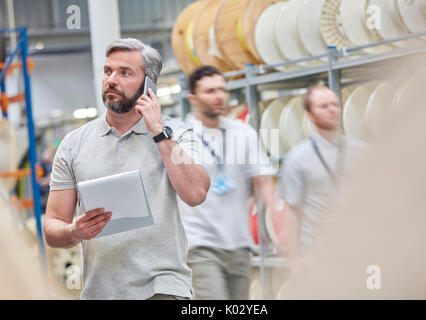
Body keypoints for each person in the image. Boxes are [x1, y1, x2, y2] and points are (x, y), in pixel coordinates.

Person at [43, 38, 210, 300]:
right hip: (100, 291)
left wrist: (158, 132)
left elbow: (196, 192)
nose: (111, 80)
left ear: (149, 85)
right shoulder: (74, 145)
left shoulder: (175, 133)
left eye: (124, 73)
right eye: (108, 71)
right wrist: (73, 232)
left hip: (162, 284)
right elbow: (53, 227)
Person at [178, 65, 277, 300]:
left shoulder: (244, 133)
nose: (219, 96)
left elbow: (263, 182)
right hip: (199, 244)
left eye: (222, 89)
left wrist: (279, 224)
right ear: (193, 98)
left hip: (239, 243)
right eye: (210, 91)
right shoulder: (180, 136)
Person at [278, 85, 366, 262]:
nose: (332, 110)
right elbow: (292, 213)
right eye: (323, 106)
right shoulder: (297, 159)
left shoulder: (361, 151)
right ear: (309, 115)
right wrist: (295, 260)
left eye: (334, 104)